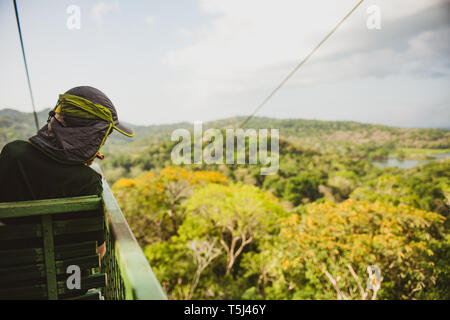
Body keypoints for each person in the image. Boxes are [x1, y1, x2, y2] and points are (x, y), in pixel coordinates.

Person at [0, 86, 134, 258]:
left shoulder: (12, 153)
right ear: (90, 136)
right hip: (66, 281)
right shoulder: (87, 181)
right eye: (103, 137)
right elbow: (97, 252)